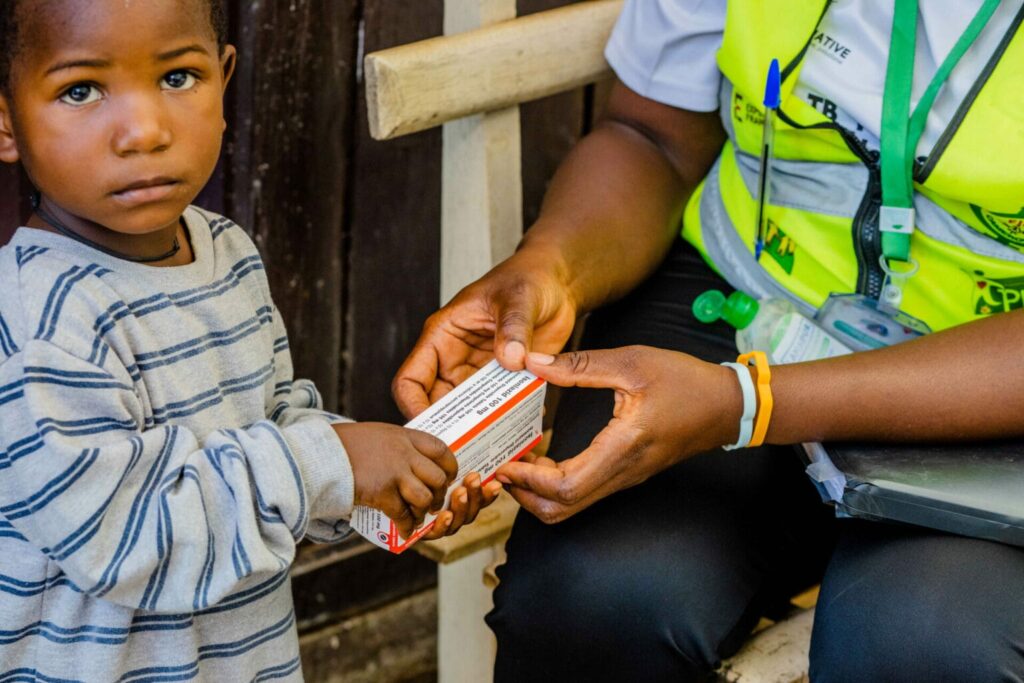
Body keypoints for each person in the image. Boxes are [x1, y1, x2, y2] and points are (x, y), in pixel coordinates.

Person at [394, 0, 1024, 680]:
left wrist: (746, 402)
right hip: (741, 294)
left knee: (921, 647)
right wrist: (550, 267)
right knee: (592, 602)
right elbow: (651, 133)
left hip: (983, 379)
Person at [0, 1, 500, 680]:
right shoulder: (39, 318)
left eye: (177, 77)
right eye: (81, 90)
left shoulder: (228, 253)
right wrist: (331, 463)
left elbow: (274, 423)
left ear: (224, 79)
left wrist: (381, 484)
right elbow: (123, 541)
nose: (144, 130)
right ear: (7, 118)